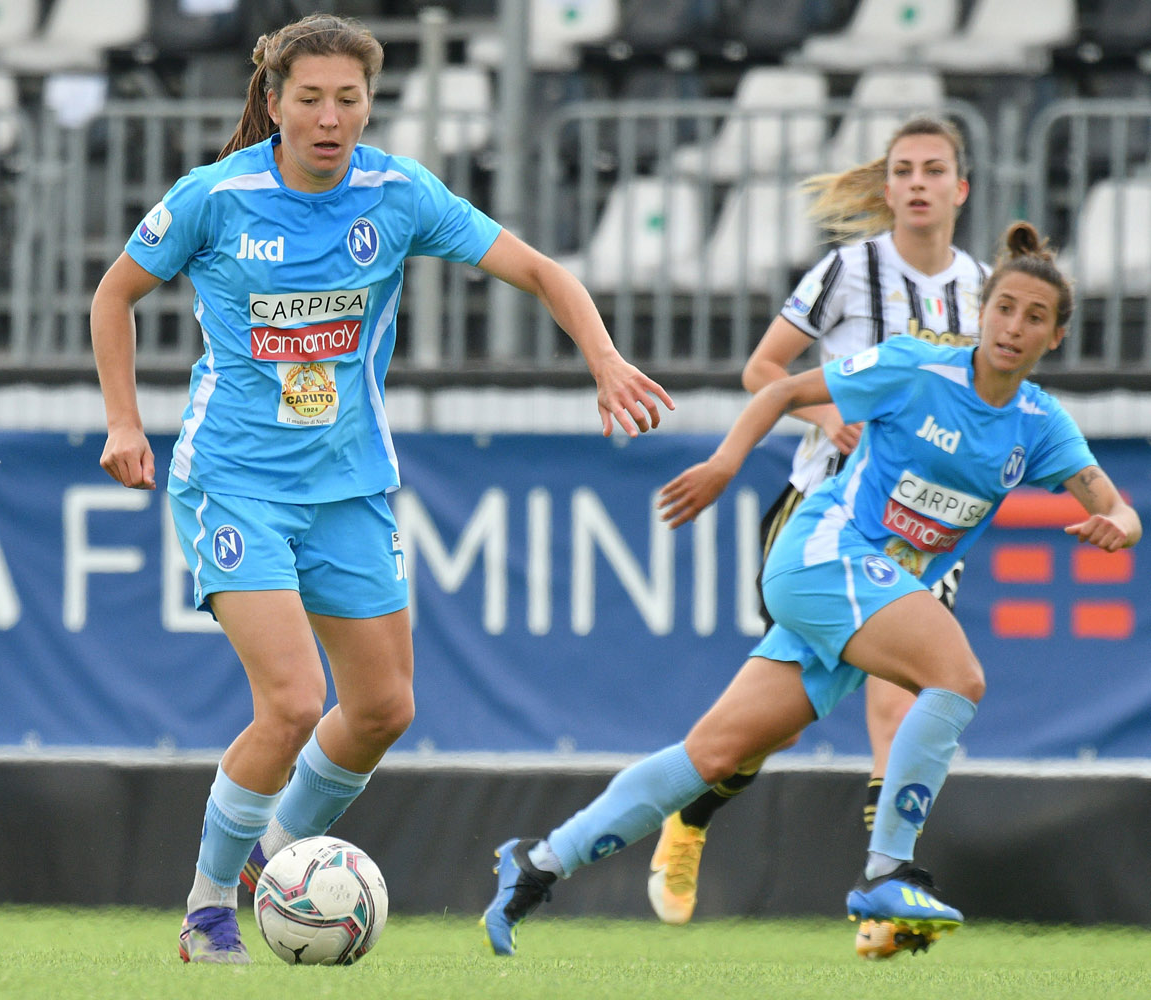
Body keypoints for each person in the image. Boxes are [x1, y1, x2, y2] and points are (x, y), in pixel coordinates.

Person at [89, 13, 674, 965]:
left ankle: (273, 863)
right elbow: (113, 294)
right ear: (274, 101)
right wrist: (124, 421)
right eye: (310, 99)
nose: (329, 118)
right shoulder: (216, 196)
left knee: (382, 710)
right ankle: (207, 913)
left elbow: (538, 270)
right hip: (234, 482)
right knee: (290, 702)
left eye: (348, 100)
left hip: (347, 486)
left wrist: (604, 358)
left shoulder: (398, 194)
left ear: (370, 106)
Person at [482, 221, 1140, 960]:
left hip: (862, 590)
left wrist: (1118, 524)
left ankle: (538, 863)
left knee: (712, 754)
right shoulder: (918, 367)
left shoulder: (1039, 424)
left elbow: (1114, 505)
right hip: (824, 556)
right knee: (957, 677)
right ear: (982, 311)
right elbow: (783, 388)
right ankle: (888, 871)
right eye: (1005, 308)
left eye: (1035, 317)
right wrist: (725, 465)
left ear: (1056, 337)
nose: (1014, 327)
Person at [646, 115, 993, 933]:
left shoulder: (983, 290)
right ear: (888, 187)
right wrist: (827, 411)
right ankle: (691, 817)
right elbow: (762, 368)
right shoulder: (848, 271)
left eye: (932, 170)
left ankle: (884, 899)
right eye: (903, 170)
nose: (917, 183)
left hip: (920, 533)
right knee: (778, 728)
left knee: (900, 704)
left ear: (960, 188)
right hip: (823, 516)